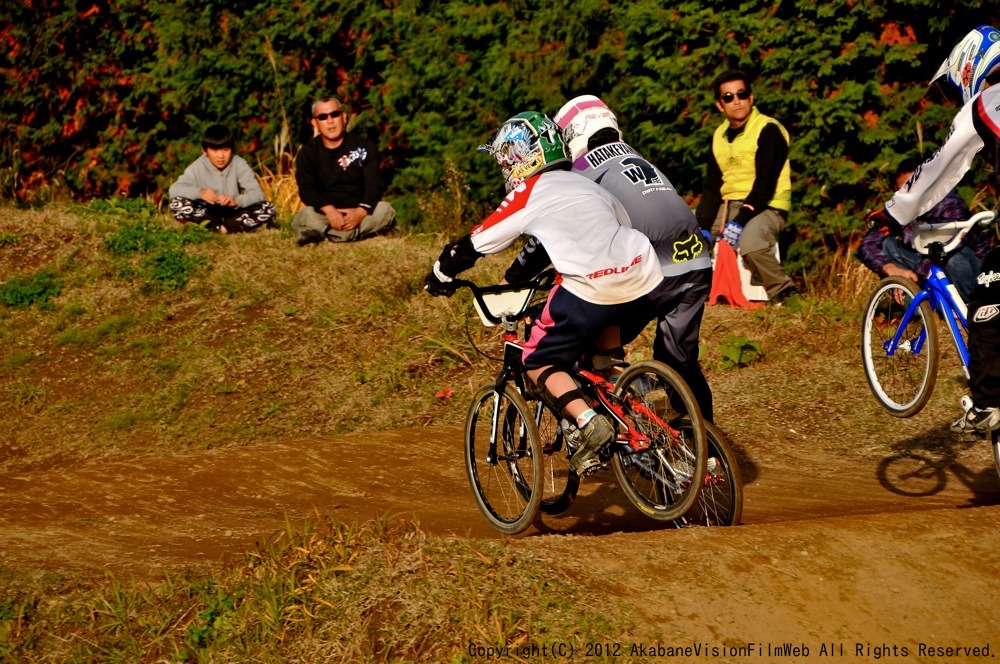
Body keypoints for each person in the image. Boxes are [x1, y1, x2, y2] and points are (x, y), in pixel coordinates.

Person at [423, 111, 665, 475]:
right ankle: (632, 410)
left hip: (590, 284)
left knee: (536, 359)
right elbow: (618, 226)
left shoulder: (530, 190)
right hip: (641, 274)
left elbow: (477, 243)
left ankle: (589, 422)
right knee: (603, 356)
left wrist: (441, 272)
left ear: (518, 157)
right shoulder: (587, 184)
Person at [535, 94, 716, 422]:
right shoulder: (639, 158)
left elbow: (549, 237)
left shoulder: (580, 171)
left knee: (592, 338)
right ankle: (706, 448)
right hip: (696, 263)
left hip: (652, 272)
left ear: (572, 134)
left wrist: (516, 276)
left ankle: (622, 432)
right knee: (680, 364)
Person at [866, 25, 1000, 433]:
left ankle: (990, 403)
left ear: (968, 68)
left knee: (985, 303)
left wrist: (893, 212)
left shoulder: (987, 102)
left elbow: (941, 169)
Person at [696, 70, 799, 304]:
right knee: (686, 236)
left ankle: (784, 293)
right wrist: (702, 227)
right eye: (729, 97)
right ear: (720, 105)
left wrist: (739, 222)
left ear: (751, 98)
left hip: (766, 206)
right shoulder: (719, 135)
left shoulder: (768, 130)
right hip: (727, 205)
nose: (737, 101)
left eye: (742, 94)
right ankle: (691, 294)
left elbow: (764, 186)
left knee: (751, 244)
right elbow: (712, 188)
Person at [857, 157, 987, 302]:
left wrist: (916, 275)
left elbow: (949, 247)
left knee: (953, 258)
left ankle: (972, 308)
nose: (909, 196)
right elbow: (867, 245)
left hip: (974, 273)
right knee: (887, 244)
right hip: (929, 268)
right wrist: (892, 270)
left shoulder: (950, 204)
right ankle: (920, 305)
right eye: (904, 191)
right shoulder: (901, 209)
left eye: (915, 189)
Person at [293, 96, 396, 245]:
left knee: (385, 210)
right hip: (325, 214)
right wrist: (329, 210)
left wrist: (360, 212)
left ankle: (327, 234)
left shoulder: (364, 146)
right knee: (306, 214)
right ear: (315, 123)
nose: (330, 121)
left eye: (335, 114)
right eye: (323, 117)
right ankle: (357, 233)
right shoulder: (307, 153)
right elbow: (306, 189)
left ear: (344, 117)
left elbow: (374, 185)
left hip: (359, 212)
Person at [168, 124, 276, 233]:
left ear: (232, 149)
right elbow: (174, 190)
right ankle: (215, 226)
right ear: (204, 151)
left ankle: (224, 228)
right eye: (215, 150)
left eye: (225, 149)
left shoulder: (239, 163)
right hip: (207, 212)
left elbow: (258, 194)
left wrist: (236, 201)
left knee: (267, 208)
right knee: (177, 203)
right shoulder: (197, 166)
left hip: (233, 211)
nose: (221, 156)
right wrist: (200, 193)